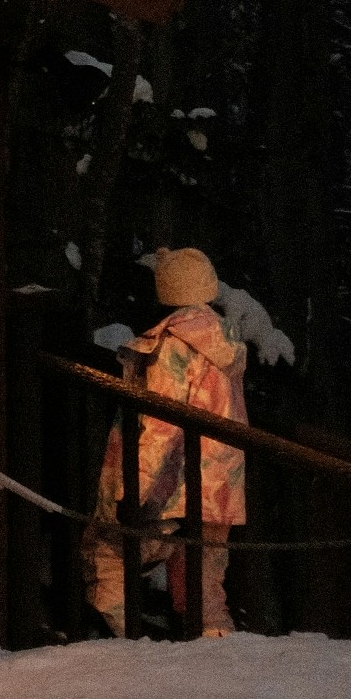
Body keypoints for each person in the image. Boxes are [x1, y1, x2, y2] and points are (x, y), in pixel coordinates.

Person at [89, 247, 249, 635]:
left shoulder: (174, 347)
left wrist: (136, 493)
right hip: (217, 492)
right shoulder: (223, 347)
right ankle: (221, 662)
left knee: (109, 561)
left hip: (168, 491)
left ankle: (123, 657)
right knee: (203, 591)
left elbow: (160, 426)